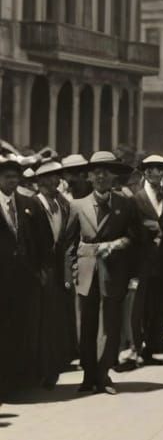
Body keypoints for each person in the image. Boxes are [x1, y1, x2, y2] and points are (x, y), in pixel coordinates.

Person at [67, 151, 142, 395]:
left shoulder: (125, 203)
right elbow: (69, 244)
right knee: (86, 325)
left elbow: (135, 237)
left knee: (109, 325)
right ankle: (88, 375)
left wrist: (120, 244)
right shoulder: (77, 206)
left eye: (106, 171)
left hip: (114, 273)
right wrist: (73, 271)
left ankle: (103, 375)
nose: (101, 176)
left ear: (114, 177)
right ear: (89, 177)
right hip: (86, 273)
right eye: (96, 172)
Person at [29, 158, 75, 388]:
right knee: (41, 322)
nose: (55, 180)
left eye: (57, 176)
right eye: (49, 177)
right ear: (39, 181)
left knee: (56, 321)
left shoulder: (63, 204)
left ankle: (54, 367)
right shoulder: (32, 204)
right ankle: (40, 370)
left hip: (58, 269)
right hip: (41, 271)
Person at [132, 153, 163, 365]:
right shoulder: (135, 198)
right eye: (150, 169)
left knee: (162, 303)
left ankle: (153, 346)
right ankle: (138, 345)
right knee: (143, 304)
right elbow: (131, 229)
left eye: (160, 169)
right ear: (144, 172)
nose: (155, 173)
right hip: (143, 260)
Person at [0, 154, 42, 397]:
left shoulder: (28, 203)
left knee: (19, 329)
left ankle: (17, 379)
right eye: (7, 177)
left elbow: (38, 240)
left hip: (22, 281)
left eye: (16, 177)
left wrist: (38, 270)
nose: (12, 181)